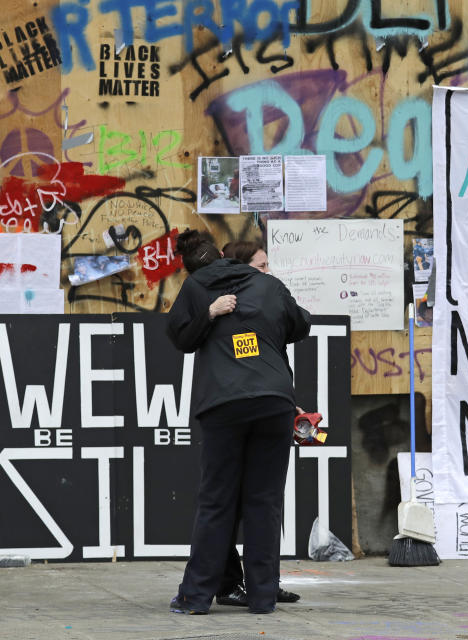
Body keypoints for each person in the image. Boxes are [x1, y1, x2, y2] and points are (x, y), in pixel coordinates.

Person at [167, 229, 311, 615]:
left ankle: (195, 597)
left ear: (190, 266)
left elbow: (178, 336)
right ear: (222, 254)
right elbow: (301, 325)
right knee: (264, 503)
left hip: (224, 404)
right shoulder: (267, 285)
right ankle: (263, 598)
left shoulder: (196, 287)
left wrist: (210, 318)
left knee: (216, 503)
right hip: (274, 402)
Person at [212, 238, 300, 608]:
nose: (268, 272)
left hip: (264, 405)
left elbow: (295, 327)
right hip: (228, 409)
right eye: (260, 267)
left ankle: (263, 582)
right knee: (225, 504)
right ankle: (231, 581)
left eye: (268, 266)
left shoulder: (268, 300)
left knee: (262, 503)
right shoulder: (217, 303)